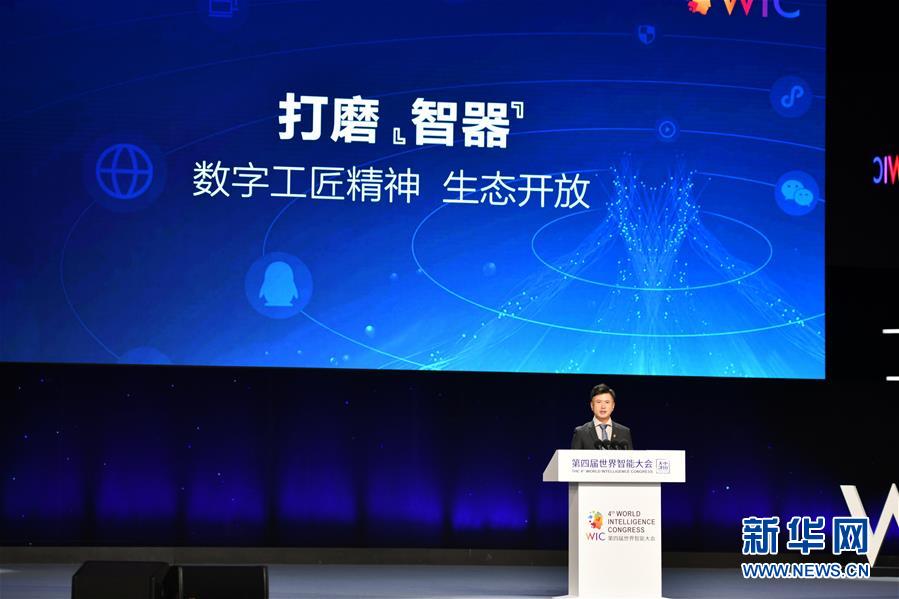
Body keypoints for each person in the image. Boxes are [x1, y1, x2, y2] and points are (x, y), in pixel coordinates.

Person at [570, 383, 633, 450]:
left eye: (607, 402)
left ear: (613, 406)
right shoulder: (581, 432)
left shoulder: (624, 432)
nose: (603, 406)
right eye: (598, 402)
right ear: (592, 405)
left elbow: (631, 456)